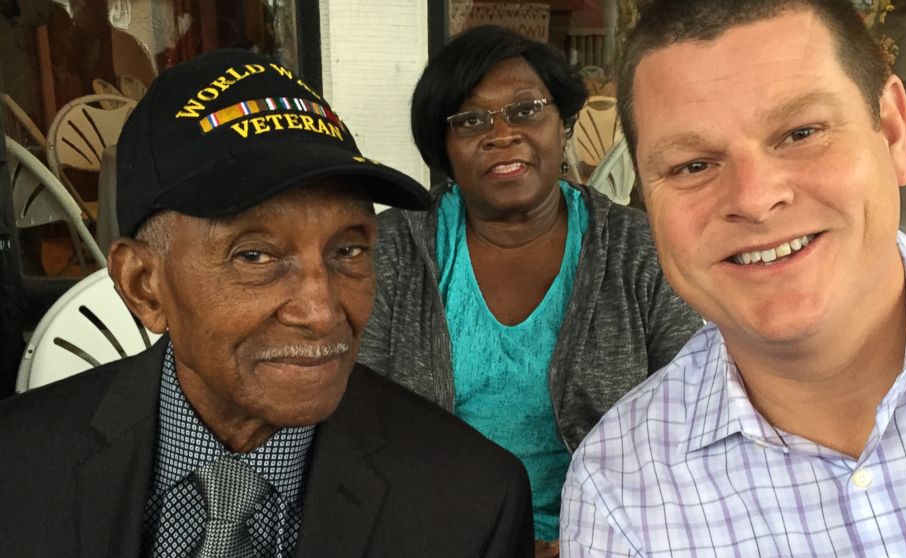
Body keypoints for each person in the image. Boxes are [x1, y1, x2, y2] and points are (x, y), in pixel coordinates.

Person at [0, 49, 535, 557]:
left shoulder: (471, 504)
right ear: (144, 285)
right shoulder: (18, 467)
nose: (322, 312)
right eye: (254, 256)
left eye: (348, 249)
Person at [560, 0, 906, 556]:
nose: (755, 199)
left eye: (801, 132)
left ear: (890, 131)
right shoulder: (620, 491)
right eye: (693, 165)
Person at [357, 25, 701, 556]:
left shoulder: (641, 252)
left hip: (611, 534)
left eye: (525, 110)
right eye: (471, 120)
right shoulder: (394, 251)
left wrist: (591, 538)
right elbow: (359, 418)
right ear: (443, 148)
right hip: (434, 536)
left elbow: (689, 416)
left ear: (562, 124)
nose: (501, 134)